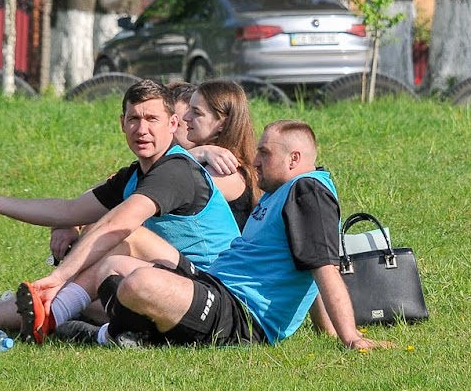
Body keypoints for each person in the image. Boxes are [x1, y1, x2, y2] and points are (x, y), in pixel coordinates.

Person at [0, 79, 240, 341]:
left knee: (121, 236)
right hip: (167, 285)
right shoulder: (134, 174)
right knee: (84, 287)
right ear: (122, 123)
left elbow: (121, 222)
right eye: (134, 119)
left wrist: (59, 275)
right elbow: (70, 210)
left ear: (173, 124)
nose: (142, 129)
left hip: (211, 295)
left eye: (152, 119)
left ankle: (56, 319)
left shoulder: (176, 170)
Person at [38, 119, 392, 351]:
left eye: (264, 154)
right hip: (216, 288)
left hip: (242, 316)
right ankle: (63, 316)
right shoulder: (282, 193)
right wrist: (327, 331)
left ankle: (102, 331)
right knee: (114, 261)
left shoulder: (308, 192)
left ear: (294, 158)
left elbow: (323, 267)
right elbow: (307, 266)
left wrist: (350, 337)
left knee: (139, 284)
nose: (254, 161)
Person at [180, 80, 259, 230]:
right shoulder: (205, 157)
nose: (186, 117)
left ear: (223, 123)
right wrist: (197, 153)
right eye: (189, 109)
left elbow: (161, 186)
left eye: (196, 112)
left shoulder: (223, 170)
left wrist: (196, 154)